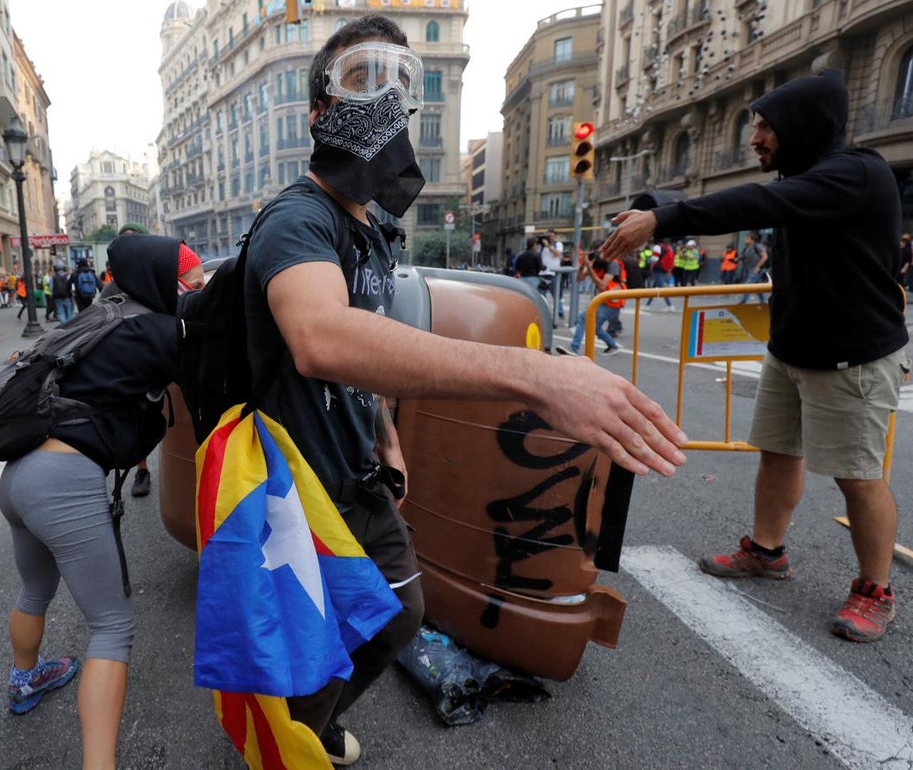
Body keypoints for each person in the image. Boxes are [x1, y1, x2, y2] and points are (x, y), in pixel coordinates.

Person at [244, 16, 685, 764]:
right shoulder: (297, 219)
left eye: (403, 84)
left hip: (357, 468)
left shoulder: (376, 233)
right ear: (321, 111)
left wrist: (389, 440)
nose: (386, 99)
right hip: (291, 482)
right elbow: (321, 338)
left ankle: (301, 724)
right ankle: (284, 742)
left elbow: (370, 351)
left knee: (396, 615)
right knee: (306, 627)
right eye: (362, 78)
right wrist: (535, 374)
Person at [602, 69, 909, 643]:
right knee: (777, 453)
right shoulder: (808, 179)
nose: (756, 138)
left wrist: (661, 220)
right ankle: (767, 552)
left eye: (766, 127)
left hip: (853, 360)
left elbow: (754, 201)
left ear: (801, 127)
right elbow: (763, 200)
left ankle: (875, 590)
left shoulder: (856, 174)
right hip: (791, 352)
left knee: (858, 476)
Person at [0, 234, 182, 770]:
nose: (180, 285)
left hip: (18, 477)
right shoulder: (155, 329)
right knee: (111, 627)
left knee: (35, 588)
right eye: (175, 274)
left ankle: (25, 679)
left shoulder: (96, 315)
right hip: (63, 480)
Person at [107, 226, 205, 498]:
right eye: (196, 287)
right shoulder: (155, 330)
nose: (202, 294)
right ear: (165, 281)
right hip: (64, 469)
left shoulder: (125, 309)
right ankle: (141, 469)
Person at [556, 247, 623, 356]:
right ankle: (612, 345)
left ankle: (574, 348)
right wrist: (584, 265)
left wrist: (590, 268)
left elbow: (602, 285)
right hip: (604, 300)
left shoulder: (612, 265)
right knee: (594, 327)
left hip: (613, 302)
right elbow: (579, 279)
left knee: (583, 318)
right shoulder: (597, 265)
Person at [737, 231, 770, 304]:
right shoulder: (746, 248)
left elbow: (765, 257)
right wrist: (740, 261)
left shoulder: (758, 246)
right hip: (750, 269)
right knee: (757, 287)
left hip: (756, 270)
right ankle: (763, 301)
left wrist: (758, 267)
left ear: (752, 240)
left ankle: (743, 302)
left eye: (747, 238)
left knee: (747, 285)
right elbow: (744, 258)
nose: (745, 240)